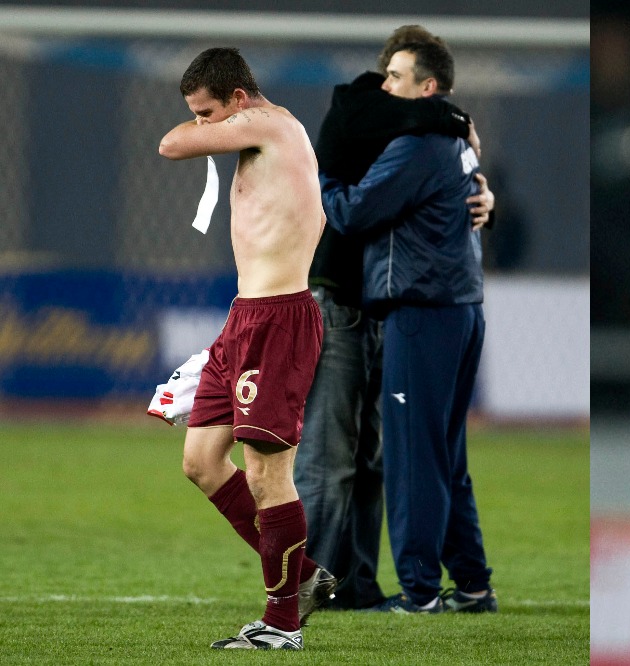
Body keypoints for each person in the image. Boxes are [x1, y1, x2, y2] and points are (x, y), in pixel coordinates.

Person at [296, 24, 494, 612]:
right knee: (420, 454)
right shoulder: (427, 129)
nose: (383, 86)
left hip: (413, 309)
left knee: (402, 457)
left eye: (396, 77)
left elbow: (355, 213)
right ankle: (465, 583)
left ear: (426, 87)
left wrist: (323, 183)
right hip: (421, 304)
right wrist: (461, 139)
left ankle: (415, 590)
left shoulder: (423, 137)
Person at [158, 47, 331, 650]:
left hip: (278, 319)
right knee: (202, 461)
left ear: (237, 98)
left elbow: (171, 145)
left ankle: (282, 624)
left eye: (207, 112)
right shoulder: (258, 135)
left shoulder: (269, 121)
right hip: (245, 318)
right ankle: (304, 577)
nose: (201, 125)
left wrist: (203, 130)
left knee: (266, 472)